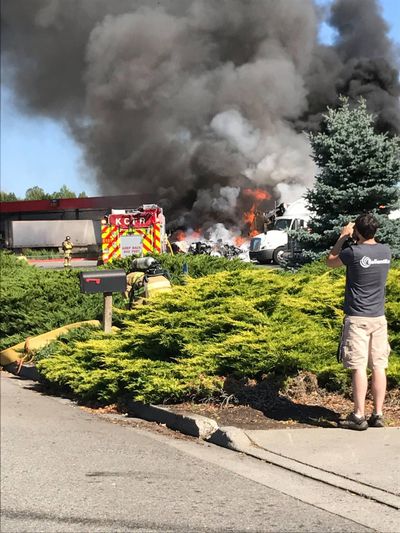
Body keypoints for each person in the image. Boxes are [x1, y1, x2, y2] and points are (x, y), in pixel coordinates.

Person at [326, 213, 391, 431]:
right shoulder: (385, 251)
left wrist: (343, 236)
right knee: (379, 366)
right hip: (379, 318)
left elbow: (330, 262)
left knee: (358, 367)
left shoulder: (352, 252)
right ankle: (378, 414)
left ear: (358, 232)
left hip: (357, 318)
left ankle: (358, 415)